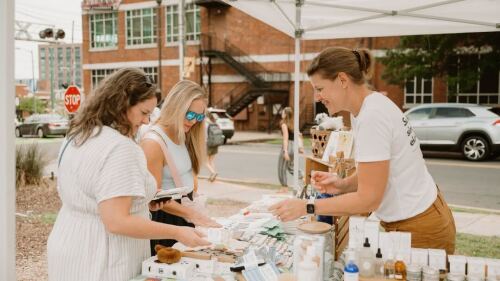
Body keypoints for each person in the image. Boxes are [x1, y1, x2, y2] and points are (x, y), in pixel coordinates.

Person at [270, 47, 456, 254]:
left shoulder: (372, 116)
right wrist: (342, 185)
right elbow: (377, 171)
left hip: (420, 226)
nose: (316, 97)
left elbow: (368, 199)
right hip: (419, 218)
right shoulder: (365, 110)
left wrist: (307, 206)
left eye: (320, 88)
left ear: (342, 80)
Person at [47, 68, 210, 281]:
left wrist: (142, 203)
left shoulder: (77, 135)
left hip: (67, 245)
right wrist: (178, 232)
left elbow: (96, 193)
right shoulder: (120, 147)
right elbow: (116, 221)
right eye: (144, 113)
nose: (146, 122)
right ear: (121, 104)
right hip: (104, 258)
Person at [140, 80, 221, 254]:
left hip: (185, 213)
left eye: (199, 117)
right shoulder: (153, 143)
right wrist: (192, 214)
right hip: (167, 220)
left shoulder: (184, 133)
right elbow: (153, 197)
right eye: (190, 115)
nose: (194, 122)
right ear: (176, 107)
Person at [277, 107, 304, 192]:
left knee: (281, 167)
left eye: (283, 112)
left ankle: (284, 187)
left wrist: (285, 151)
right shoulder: (293, 124)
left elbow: (286, 138)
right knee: (291, 167)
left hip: (288, 146)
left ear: (285, 115)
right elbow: (300, 135)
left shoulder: (284, 124)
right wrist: (300, 147)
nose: (282, 114)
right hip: (294, 146)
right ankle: (303, 176)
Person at [205, 112, 220, 182]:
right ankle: (212, 177)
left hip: (208, 144)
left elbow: (204, 135)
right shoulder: (214, 123)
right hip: (215, 143)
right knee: (211, 161)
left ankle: (213, 173)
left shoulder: (205, 124)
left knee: (206, 162)